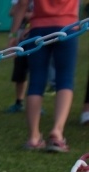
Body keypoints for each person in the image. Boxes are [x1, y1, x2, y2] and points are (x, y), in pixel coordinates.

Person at [9, 0, 79, 152]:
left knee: (36, 80)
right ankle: (57, 132)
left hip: (39, 28)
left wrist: (13, 34)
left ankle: (33, 136)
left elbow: (22, 3)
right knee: (65, 79)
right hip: (67, 25)